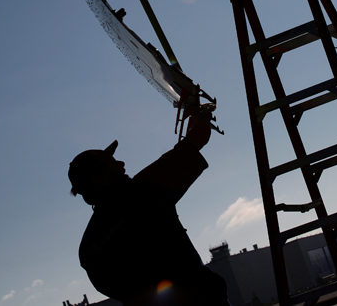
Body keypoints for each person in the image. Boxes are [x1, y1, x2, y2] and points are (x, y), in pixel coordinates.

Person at [68, 110, 229, 306]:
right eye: (111, 163)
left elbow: (120, 291)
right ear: (99, 179)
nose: (121, 164)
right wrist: (201, 116)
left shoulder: (88, 250)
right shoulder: (141, 192)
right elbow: (197, 139)